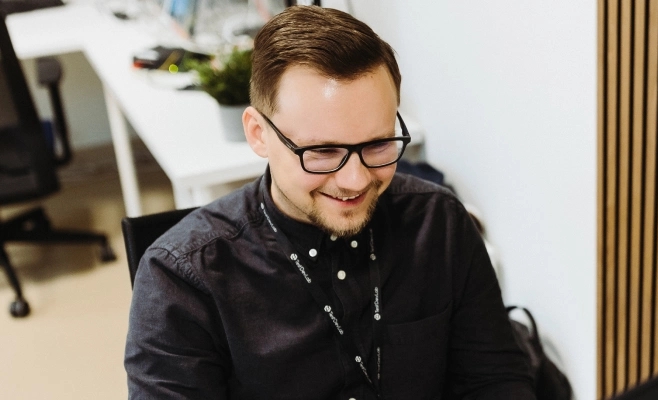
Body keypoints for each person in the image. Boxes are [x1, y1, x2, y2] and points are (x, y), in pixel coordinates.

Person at [125, 5, 536, 399]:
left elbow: (495, 378)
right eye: (321, 151)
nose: (355, 180)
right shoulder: (181, 277)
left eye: (377, 144)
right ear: (258, 134)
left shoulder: (439, 223)